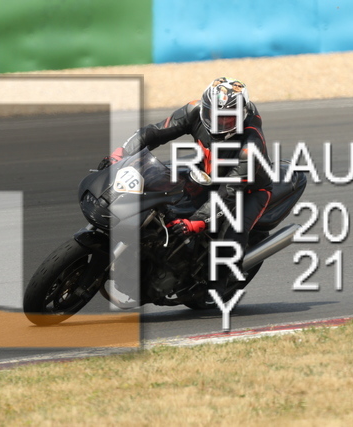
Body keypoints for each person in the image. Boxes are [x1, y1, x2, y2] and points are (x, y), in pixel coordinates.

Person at [98, 77, 273, 291]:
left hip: (249, 190)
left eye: (227, 118)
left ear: (241, 115)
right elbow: (154, 132)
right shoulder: (193, 109)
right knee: (160, 193)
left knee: (230, 236)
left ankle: (221, 285)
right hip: (207, 171)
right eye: (214, 114)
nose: (218, 122)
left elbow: (230, 191)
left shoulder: (251, 144)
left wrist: (197, 221)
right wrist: (121, 154)